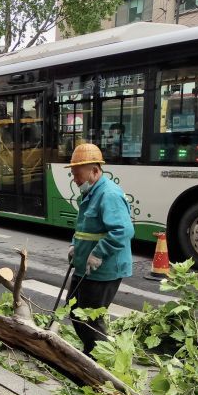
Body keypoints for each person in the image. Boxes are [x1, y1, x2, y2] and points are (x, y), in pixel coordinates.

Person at [66, 143, 134, 356]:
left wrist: (98, 254)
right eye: (73, 174)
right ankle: (93, 352)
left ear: (95, 171)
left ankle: (99, 359)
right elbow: (85, 228)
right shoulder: (91, 193)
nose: (75, 180)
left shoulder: (109, 194)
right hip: (84, 267)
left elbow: (123, 230)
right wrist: (74, 246)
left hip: (103, 269)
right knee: (75, 309)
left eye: (78, 175)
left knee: (89, 318)